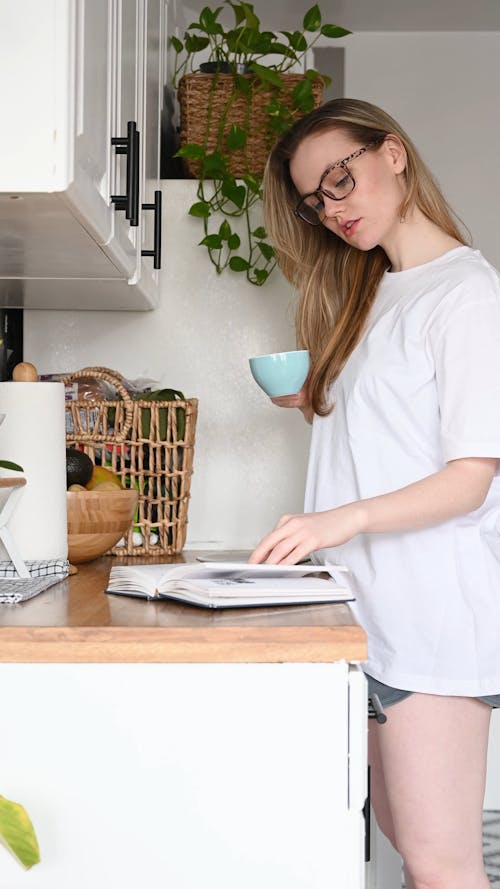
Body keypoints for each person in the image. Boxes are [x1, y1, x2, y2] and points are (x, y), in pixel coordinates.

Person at [249, 97, 500, 889]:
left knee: (441, 863)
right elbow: (392, 445)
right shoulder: (372, 293)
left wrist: (337, 521)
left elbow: (472, 476)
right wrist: (325, 403)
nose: (333, 209)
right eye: (316, 200)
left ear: (392, 153)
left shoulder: (468, 295)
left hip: (432, 621)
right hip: (366, 614)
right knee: (404, 844)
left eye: (340, 179)